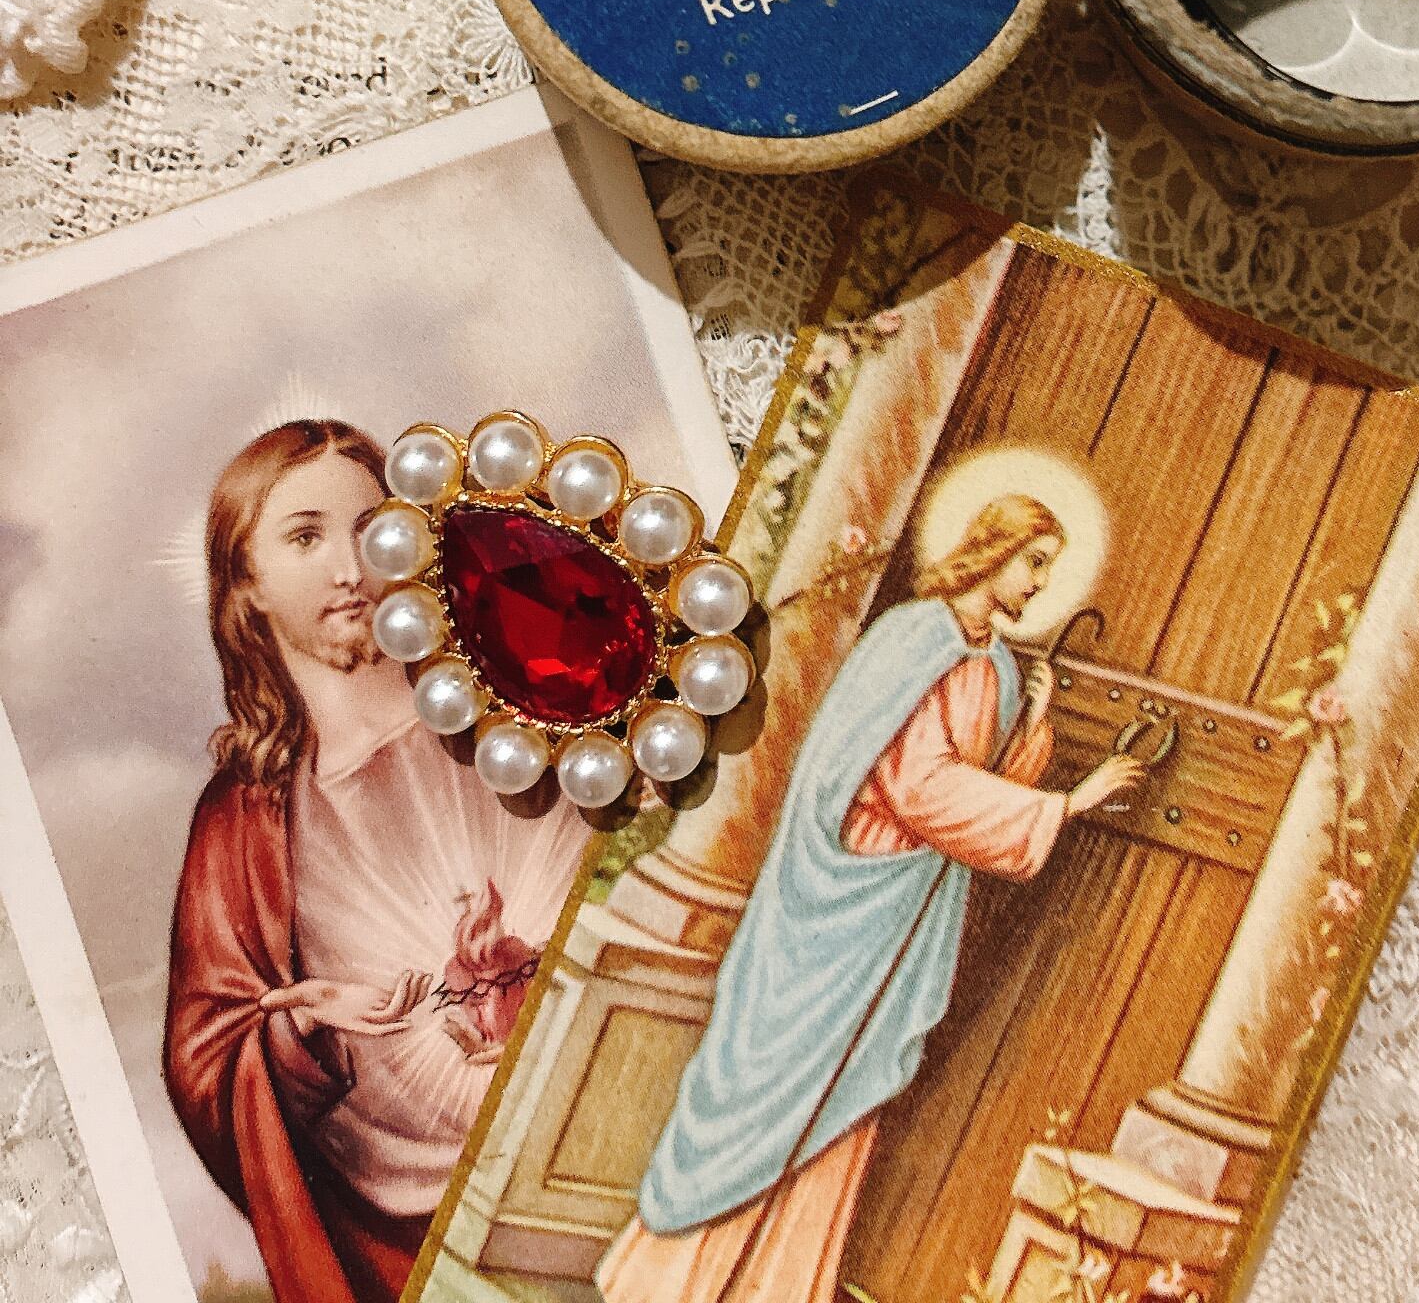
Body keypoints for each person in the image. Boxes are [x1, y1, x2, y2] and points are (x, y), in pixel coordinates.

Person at [597, 491, 1147, 1303]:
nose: (1038, 584)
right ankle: (672, 1285)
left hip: (901, 921)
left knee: (842, 1097)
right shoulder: (912, 637)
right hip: (841, 907)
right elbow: (917, 789)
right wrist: (1067, 805)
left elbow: (982, 791)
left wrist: (1033, 725)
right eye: (1033, 562)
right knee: (778, 1090)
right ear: (993, 550)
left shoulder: (996, 663)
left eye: (1048, 570)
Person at [161, 419, 587, 1303]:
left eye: (368, 526)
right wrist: (303, 1034)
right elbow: (207, 1071)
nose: (349, 567)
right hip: (430, 1245)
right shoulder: (241, 824)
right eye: (305, 538)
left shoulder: (511, 691)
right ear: (247, 585)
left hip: (613, 1109)